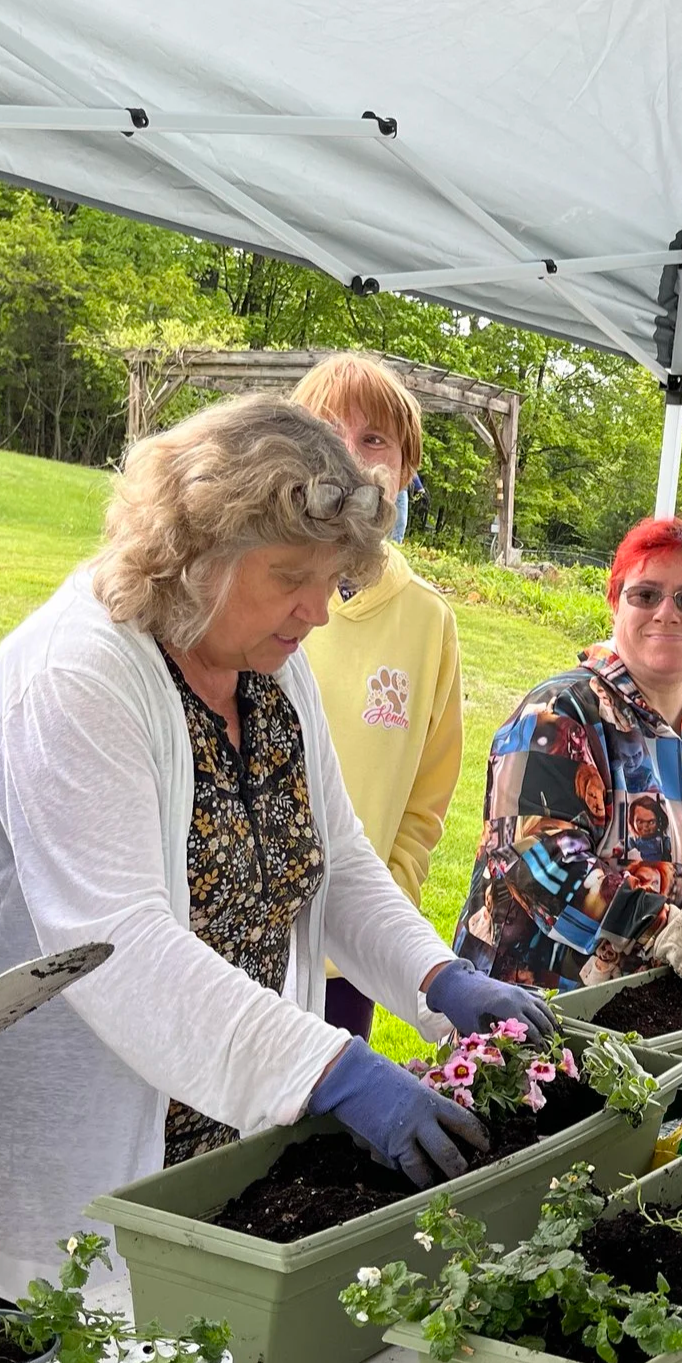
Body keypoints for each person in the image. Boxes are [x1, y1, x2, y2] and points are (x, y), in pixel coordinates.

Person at [0, 395, 549, 1289]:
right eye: (288, 577)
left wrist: (439, 981)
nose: (318, 610)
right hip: (46, 1128)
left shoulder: (265, 659)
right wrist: (336, 1070)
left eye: (331, 579)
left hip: (204, 1114)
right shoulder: (77, 672)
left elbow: (335, 859)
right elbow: (119, 947)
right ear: (192, 550)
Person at [455, 517, 682, 991]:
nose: (667, 613)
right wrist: (666, 930)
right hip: (542, 1022)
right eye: (646, 595)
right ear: (614, 601)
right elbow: (536, 861)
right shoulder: (559, 714)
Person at [289, 353, 464, 1040]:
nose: (352, 458)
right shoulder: (250, 590)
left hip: (346, 955)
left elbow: (426, 798)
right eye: (329, 435)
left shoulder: (426, 621)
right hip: (234, 937)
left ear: (406, 470)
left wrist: (387, 906)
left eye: (374, 441)